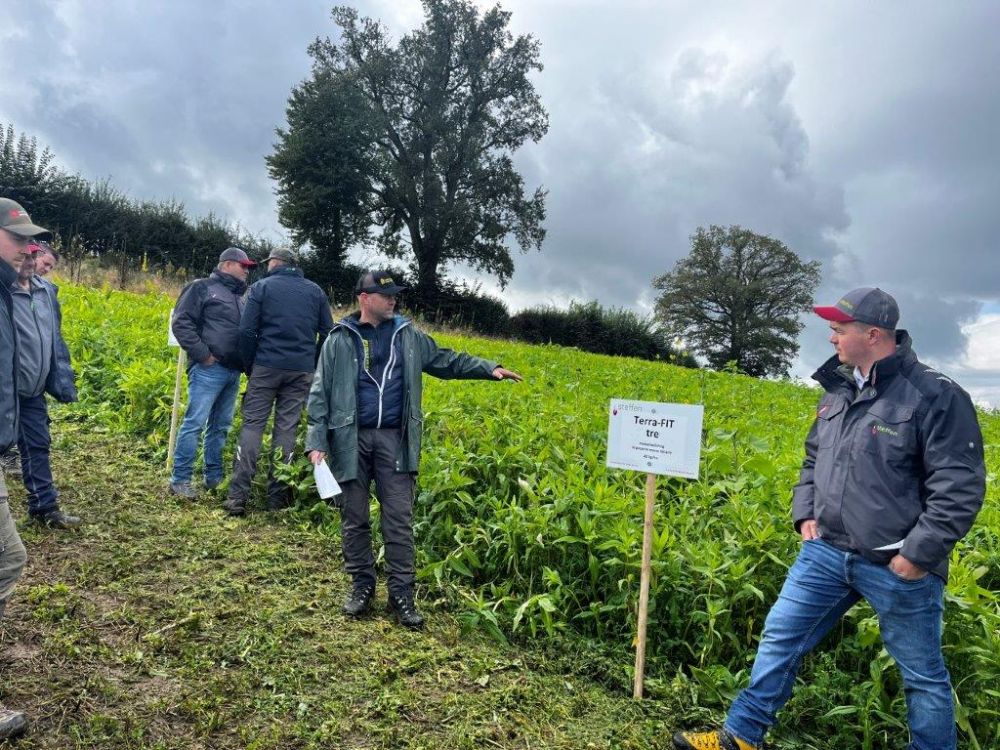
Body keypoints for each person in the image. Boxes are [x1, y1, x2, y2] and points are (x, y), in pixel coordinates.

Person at [673, 288, 986, 750]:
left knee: (922, 676)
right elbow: (814, 458)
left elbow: (959, 484)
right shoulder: (839, 390)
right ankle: (740, 737)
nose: (831, 336)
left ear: (873, 333)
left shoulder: (935, 395)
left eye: (840, 328)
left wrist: (916, 555)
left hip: (896, 563)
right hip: (826, 551)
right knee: (781, 638)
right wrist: (805, 514)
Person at [305, 269, 523, 629]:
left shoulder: (409, 337)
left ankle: (402, 594)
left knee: (399, 520)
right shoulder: (339, 339)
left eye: (395, 295)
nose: (393, 300)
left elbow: (446, 360)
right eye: (385, 294)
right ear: (364, 297)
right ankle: (361, 586)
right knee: (354, 518)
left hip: (396, 440)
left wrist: (490, 368)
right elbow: (320, 391)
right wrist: (316, 440)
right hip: (349, 439)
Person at [222, 248, 333, 516]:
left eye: (268, 262)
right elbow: (328, 332)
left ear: (275, 263)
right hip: (301, 370)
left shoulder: (262, 288)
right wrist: (312, 362)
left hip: (266, 366)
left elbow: (247, 330)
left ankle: (238, 496)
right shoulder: (315, 291)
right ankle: (277, 498)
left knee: (253, 426)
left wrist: (251, 365)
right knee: (287, 429)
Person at [0, 197, 50, 740]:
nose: (28, 249)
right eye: (17, 239)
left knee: (9, 557)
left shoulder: (15, 290)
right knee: (7, 557)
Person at [168, 247, 256, 497]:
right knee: (194, 423)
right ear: (227, 264)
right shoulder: (201, 287)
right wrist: (203, 355)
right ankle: (180, 479)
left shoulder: (240, 297)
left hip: (232, 371)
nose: (247, 271)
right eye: (244, 266)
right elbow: (181, 322)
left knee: (221, 426)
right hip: (209, 369)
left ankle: (213, 477)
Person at [9, 247, 81, 528]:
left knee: (38, 445)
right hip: (6, 386)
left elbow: (54, 337)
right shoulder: (5, 291)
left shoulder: (47, 292)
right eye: (24, 256)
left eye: (32, 257)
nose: (30, 263)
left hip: (32, 388)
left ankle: (44, 509)